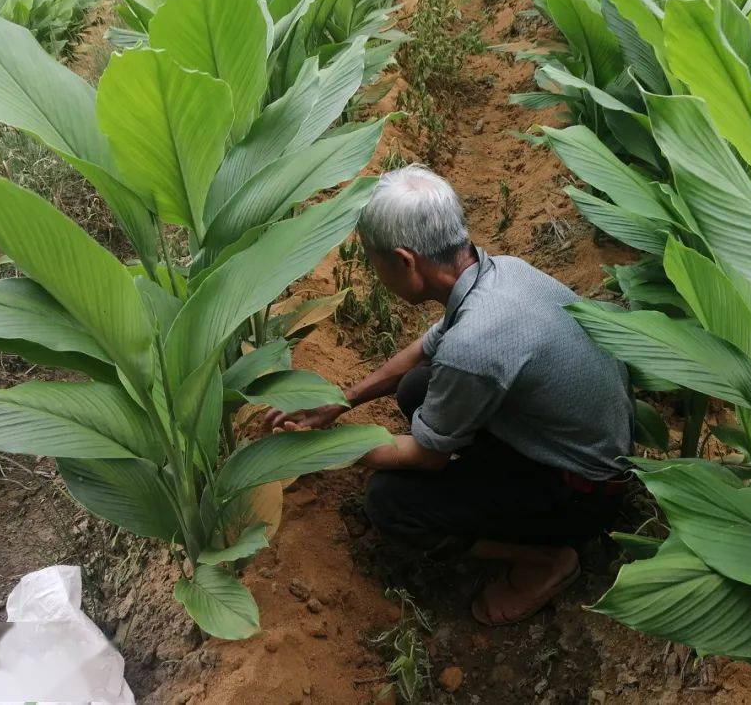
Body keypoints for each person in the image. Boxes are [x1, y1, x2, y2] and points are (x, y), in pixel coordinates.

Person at [267, 165, 634, 625]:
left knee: (390, 503)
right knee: (417, 387)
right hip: (587, 442)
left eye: (373, 262)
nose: (374, 273)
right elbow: (428, 346)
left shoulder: (476, 344)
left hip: (583, 494)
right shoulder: (500, 275)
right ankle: (496, 484)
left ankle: (549, 559)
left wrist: (319, 449)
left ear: (405, 261)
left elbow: (425, 458)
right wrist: (339, 401)